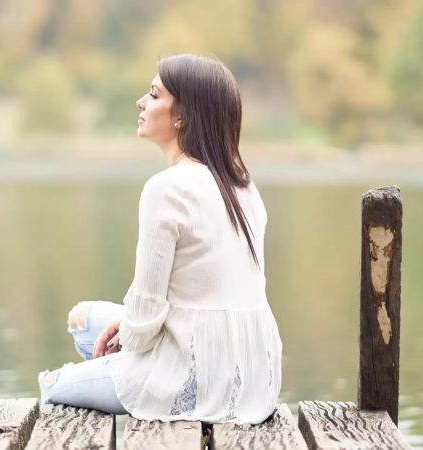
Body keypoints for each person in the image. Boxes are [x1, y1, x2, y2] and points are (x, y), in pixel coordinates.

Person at [37, 54, 283, 424]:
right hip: (255, 378)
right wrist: (130, 330)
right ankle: (116, 370)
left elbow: (148, 311)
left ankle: (122, 382)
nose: (141, 102)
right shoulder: (243, 185)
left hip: (191, 379)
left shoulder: (167, 189)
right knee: (83, 320)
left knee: (53, 387)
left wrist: (130, 343)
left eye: (153, 95)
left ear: (182, 115)